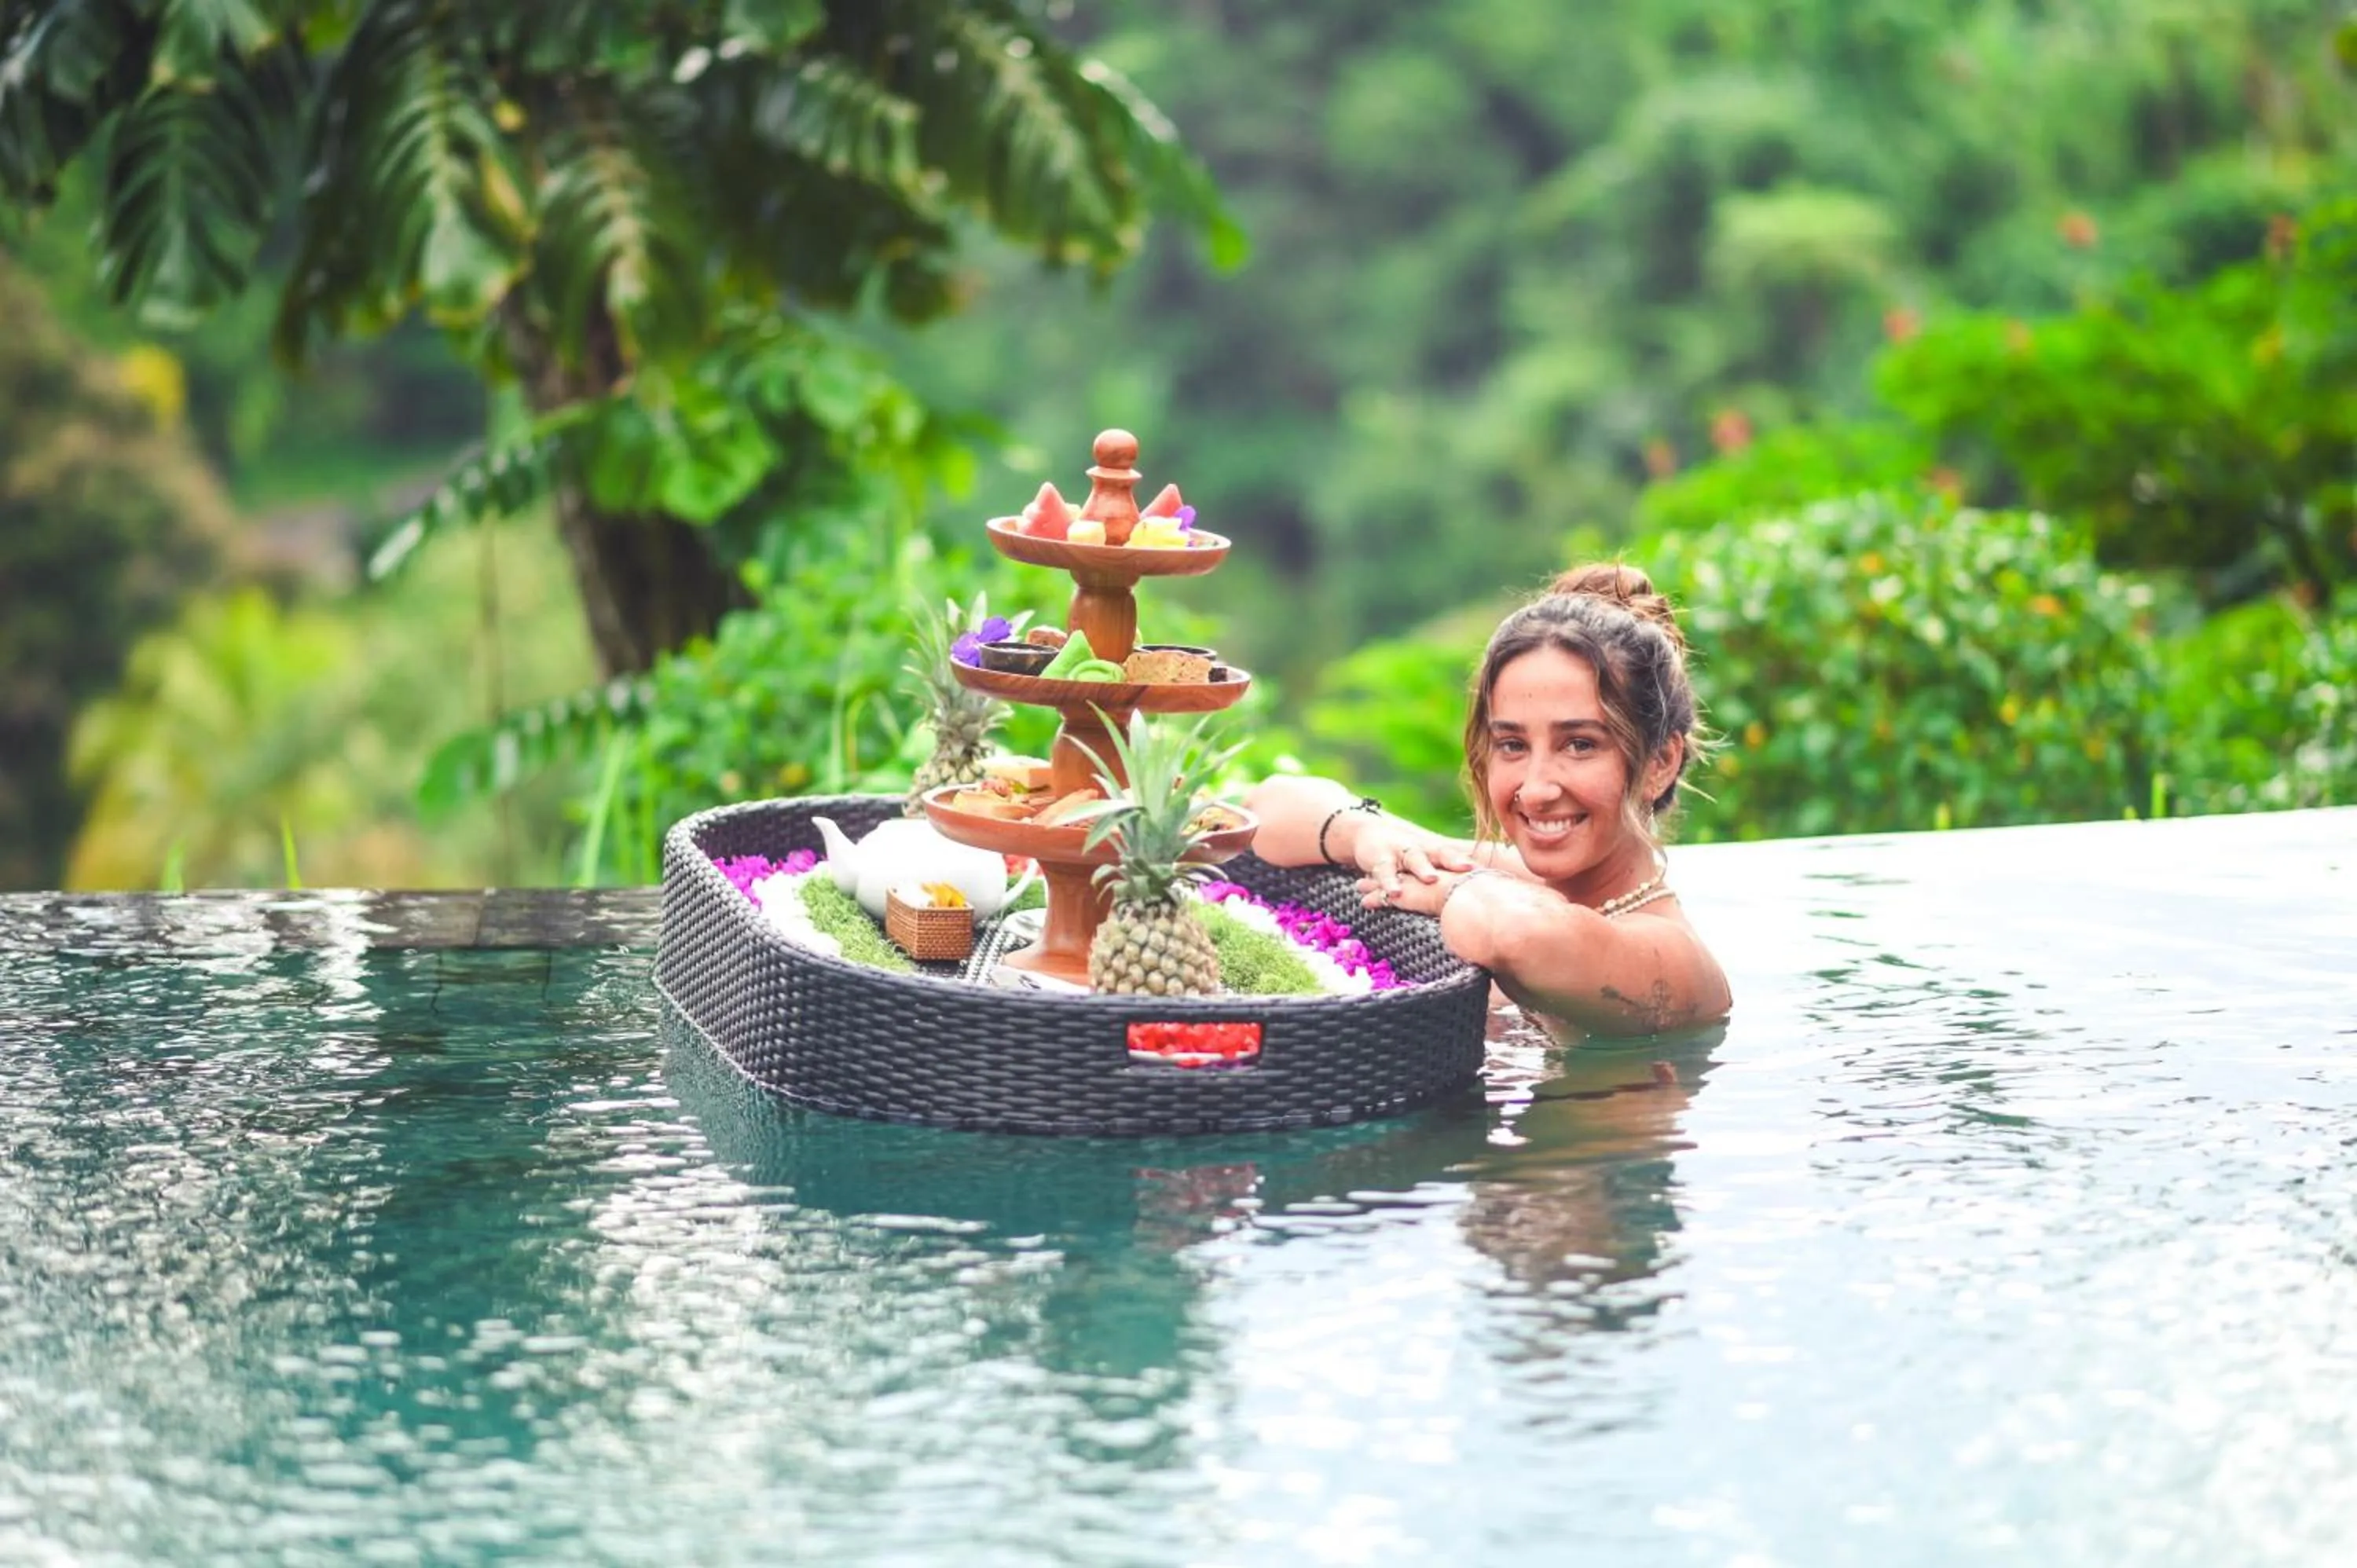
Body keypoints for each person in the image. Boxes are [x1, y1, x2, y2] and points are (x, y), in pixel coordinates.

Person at [1243, 564, 1732, 1040]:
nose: (1535, 790)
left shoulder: (1676, 959)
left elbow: (1518, 934)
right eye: (1513, 745)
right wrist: (1368, 835)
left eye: (1580, 744)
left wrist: (1445, 888)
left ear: (1660, 763)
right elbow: (1267, 808)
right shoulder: (1509, 882)